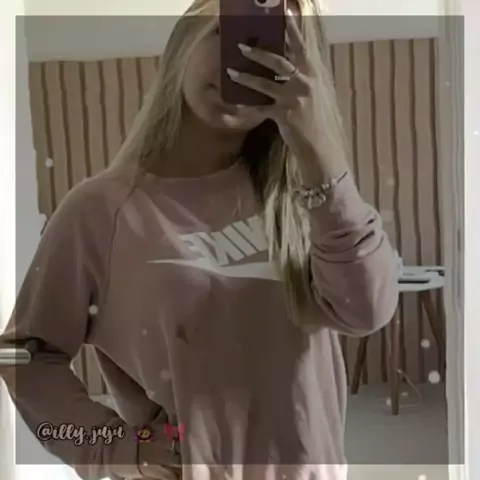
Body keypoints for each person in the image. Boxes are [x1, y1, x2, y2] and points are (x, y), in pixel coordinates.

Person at [0, 0, 399, 479]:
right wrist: (117, 449)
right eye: (229, 37)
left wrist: (321, 154)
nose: (245, 65)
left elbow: (366, 310)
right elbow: (22, 356)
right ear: (183, 42)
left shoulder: (306, 197)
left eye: (274, 50)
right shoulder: (99, 212)